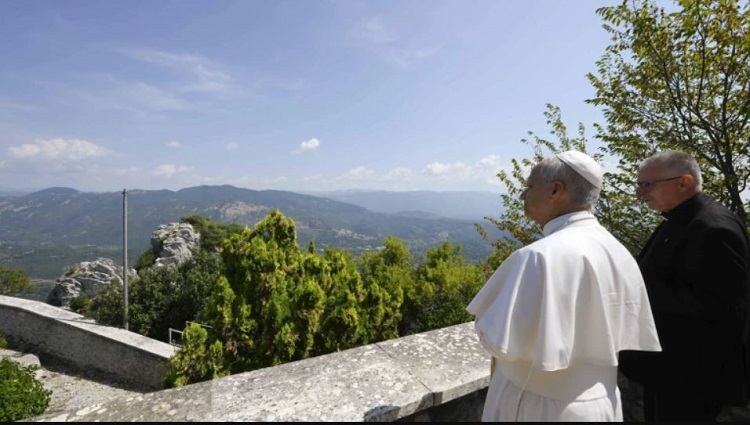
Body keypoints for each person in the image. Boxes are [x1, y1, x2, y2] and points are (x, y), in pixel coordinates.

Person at [467, 150, 662, 422]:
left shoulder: (537, 257)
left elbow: (498, 342)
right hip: (602, 404)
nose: (522, 195)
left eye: (529, 186)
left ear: (555, 190)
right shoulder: (617, 250)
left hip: (538, 408)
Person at [618, 150, 750, 422]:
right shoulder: (681, 219)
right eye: (639, 185)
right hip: (670, 373)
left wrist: (640, 287)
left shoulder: (713, 228)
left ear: (684, 182)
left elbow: (723, 306)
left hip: (692, 379)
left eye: (648, 185)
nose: (640, 193)